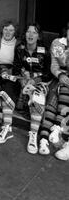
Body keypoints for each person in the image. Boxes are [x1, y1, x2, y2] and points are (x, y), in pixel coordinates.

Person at [0, 23, 52, 154]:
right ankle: (7, 126)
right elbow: (15, 68)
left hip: (39, 81)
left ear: (38, 36)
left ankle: (33, 134)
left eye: (34, 32)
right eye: (28, 32)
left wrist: (34, 80)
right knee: (6, 89)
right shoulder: (20, 48)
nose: (30, 35)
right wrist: (22, 79)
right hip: (23, 78)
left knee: (37, 95)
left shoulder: (45, 50)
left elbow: (48, 74)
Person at [38, 23, 69, 159]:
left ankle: (56, 128)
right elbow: (54, 65)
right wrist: (60, 75)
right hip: (59, 77)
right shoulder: (57, 43)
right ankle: (44, 140)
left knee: (64, 90)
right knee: (53, 99)